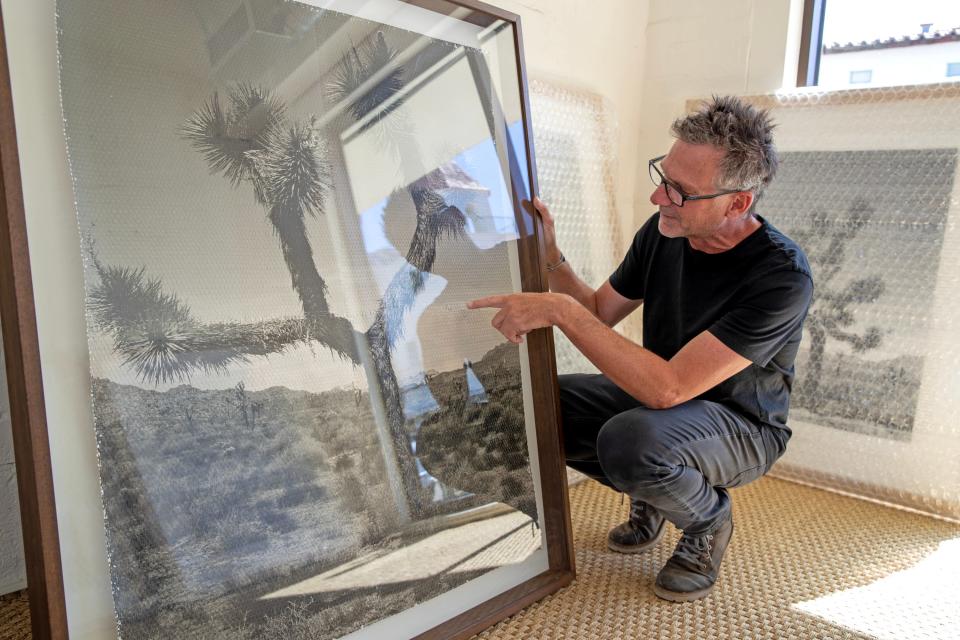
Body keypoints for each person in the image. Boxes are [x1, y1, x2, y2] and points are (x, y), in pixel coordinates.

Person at [468, 95, 813, 602]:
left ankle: (707, 522)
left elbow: (669, 388)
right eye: (663, 177)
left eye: (679, 191)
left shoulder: (781, 275)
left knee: (631, 441)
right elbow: (599, 310)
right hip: (663, 407)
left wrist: (560, 312)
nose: (658, 199)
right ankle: (654, 492)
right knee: (535, 405)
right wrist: (552, 258)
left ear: (738, 202)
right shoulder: (664, 231)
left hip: (741, 425)